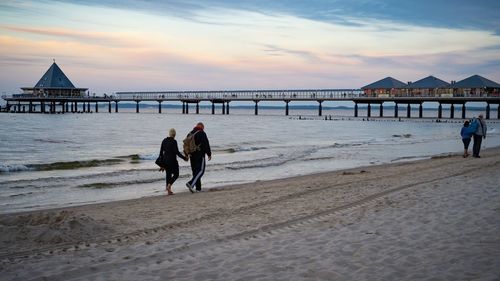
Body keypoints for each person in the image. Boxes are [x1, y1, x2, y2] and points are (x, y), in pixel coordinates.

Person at [159, 128, 187, 195]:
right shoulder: (174, 141)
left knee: (168, 175)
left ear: (169, 133)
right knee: (176, 174)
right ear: (174, 134)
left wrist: (162, 164)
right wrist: (184, 158)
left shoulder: (164, 141)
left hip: (165, 161)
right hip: (173, 161)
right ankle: (169, 185)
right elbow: (177, 152)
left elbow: (161, 152)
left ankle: (168, 190)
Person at [185, 122, 212, 193]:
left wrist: (186, 154)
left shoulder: (190, 133)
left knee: (195, 171)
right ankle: (191, 183)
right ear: (202, 127)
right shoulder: (202, 133)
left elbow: (186, 145)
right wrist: (209, 154)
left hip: (191, 155)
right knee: (201, 170)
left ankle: (198, 188)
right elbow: (206, 144)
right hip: (199, 155)